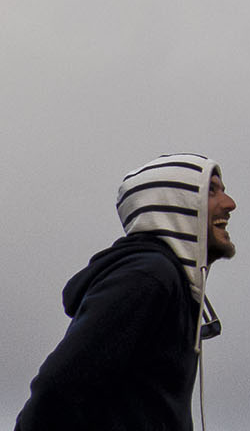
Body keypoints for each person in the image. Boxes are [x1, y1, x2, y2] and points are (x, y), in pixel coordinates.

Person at [16, 153, 236, 430]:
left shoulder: (170, 283)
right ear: (173, 205)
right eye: (211, 191)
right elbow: (59, 385)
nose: (229, 204)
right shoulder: (148, 277)